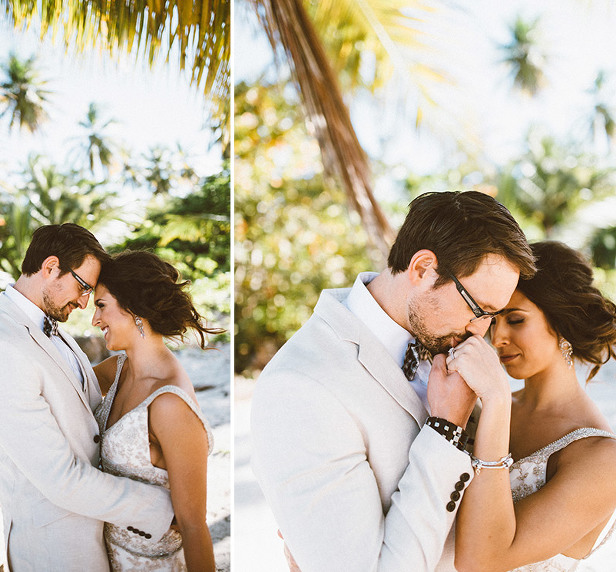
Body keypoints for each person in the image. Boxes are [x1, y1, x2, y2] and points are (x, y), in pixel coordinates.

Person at [251, 190, 537, 571]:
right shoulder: (300, 385)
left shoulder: (449, 345)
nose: (479, 331)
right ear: (422, 269)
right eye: (478, 309)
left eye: (493, 315)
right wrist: (445, 429)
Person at [0, 224, 174, 572]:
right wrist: (162, 507)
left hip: (97, 532)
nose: (83, 302)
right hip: (56, 549)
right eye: (83, 287)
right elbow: (61, 479)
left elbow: (77, 404)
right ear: (50, 268)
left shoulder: (47, 327)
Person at [452, 241, 616, 571]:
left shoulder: (603, 460)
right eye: (493, 321)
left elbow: (481, 560)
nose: (497, 339)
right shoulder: (481, 406)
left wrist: (497, 403)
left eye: (515, 320)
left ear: (562, 323)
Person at [91, 250, 222, 572]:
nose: (95, 319)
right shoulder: (117, 369)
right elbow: (64, 386)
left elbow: (193, 526)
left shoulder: (169, 403)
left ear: (134, 308)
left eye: (101, 305)